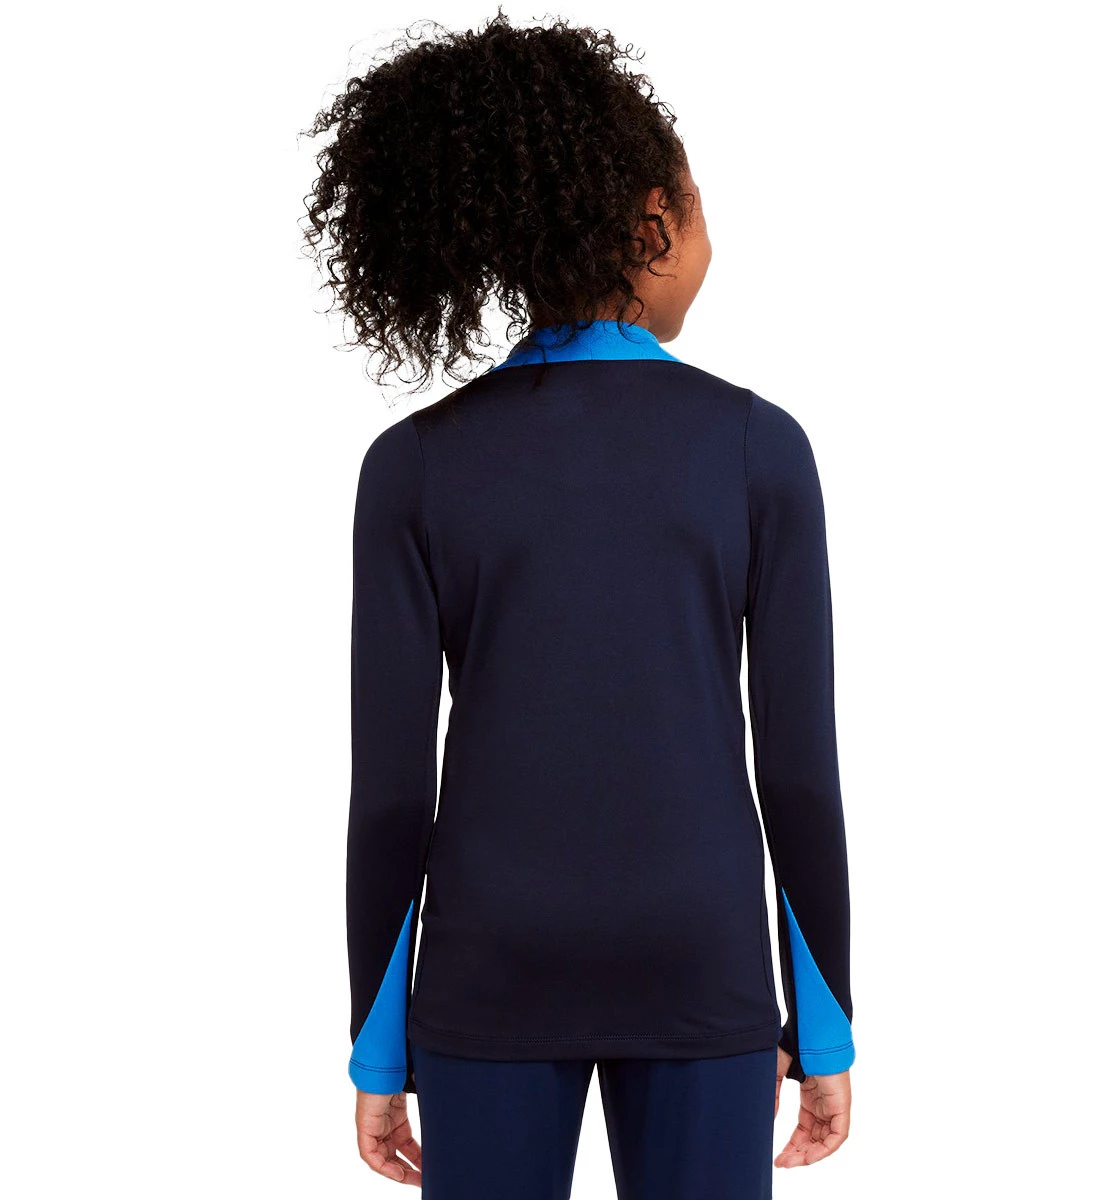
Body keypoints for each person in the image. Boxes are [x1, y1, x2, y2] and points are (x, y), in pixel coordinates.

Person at [301, 11, 855, 1198]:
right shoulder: (760, 452)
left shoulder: (414, 465)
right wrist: (826, 1025)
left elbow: (391, 790)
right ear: (655, 219)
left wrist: (377, 1046)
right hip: (698, 957)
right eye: (700, 209)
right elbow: (800, 771)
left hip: (489, 965)